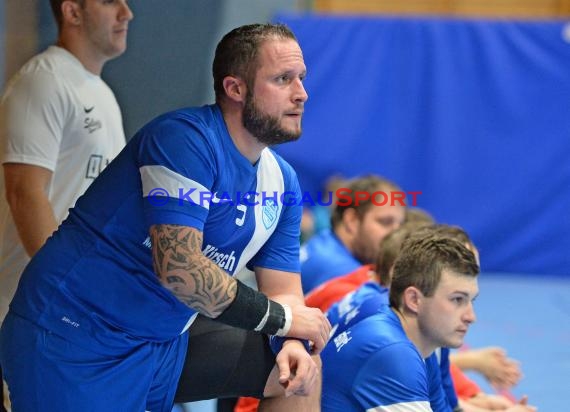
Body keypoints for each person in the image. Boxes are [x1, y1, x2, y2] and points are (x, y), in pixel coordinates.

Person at [0, 23, 331, 412]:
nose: (302, 93)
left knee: (298, 372)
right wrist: (283, 320)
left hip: (162, 342)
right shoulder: (183, 139)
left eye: (302, 79)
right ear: (235, 89)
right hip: (73, 332)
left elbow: (284, 291)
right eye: (283, 79)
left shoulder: (282, 182)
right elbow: (180, 270)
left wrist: (292, 340)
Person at [0, 0, 133, 410]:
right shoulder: (42, 81)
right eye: (111, 2)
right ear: (72, 11)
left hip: (79, 316)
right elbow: (25, 194)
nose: (127, 13)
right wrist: (69, 290)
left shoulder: (104, 96)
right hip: (36, 312)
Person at [321, 231, 536, 412]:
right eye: (457, 300)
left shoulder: (419, 341)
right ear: (414, 299)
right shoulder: (393, 353)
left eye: (471, 301)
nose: (471, 316)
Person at [300, 174, 405, 293]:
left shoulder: (323, 243)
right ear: (352, 220)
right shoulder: (341, 272)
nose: (396, 233)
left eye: (401, 225)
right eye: (385, 222)